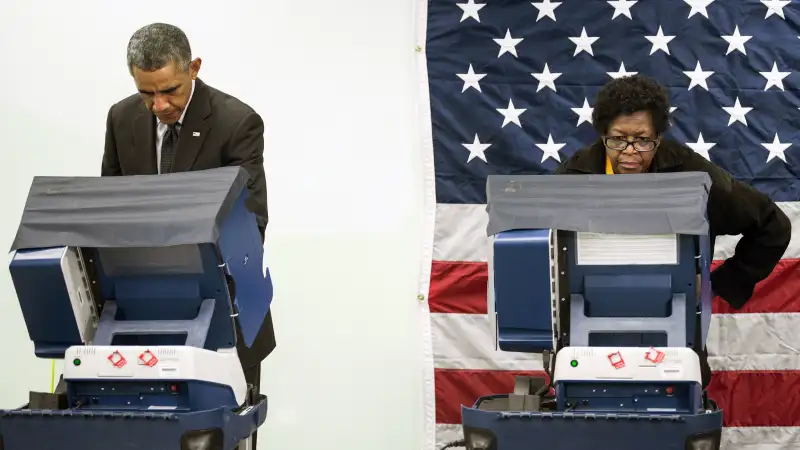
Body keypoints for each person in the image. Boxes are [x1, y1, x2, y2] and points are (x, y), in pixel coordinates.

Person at [556, 74, 792, 389]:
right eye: (617, 139)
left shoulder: (692, 173)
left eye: (643, 140)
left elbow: (772, 225)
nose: (630, 152)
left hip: (673, 327)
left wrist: (715, 283)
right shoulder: (573, 175)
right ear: (602, 135)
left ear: (658, 136)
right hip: (589, 327)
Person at [100, 22, 275, 447]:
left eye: (170, 90)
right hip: (140, 314)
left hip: (222, 312)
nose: (159, 105)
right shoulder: (121, 118)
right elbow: (110, 210)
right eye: (147, 93)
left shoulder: (236, 122)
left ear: (193, 68)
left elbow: (250, 221)